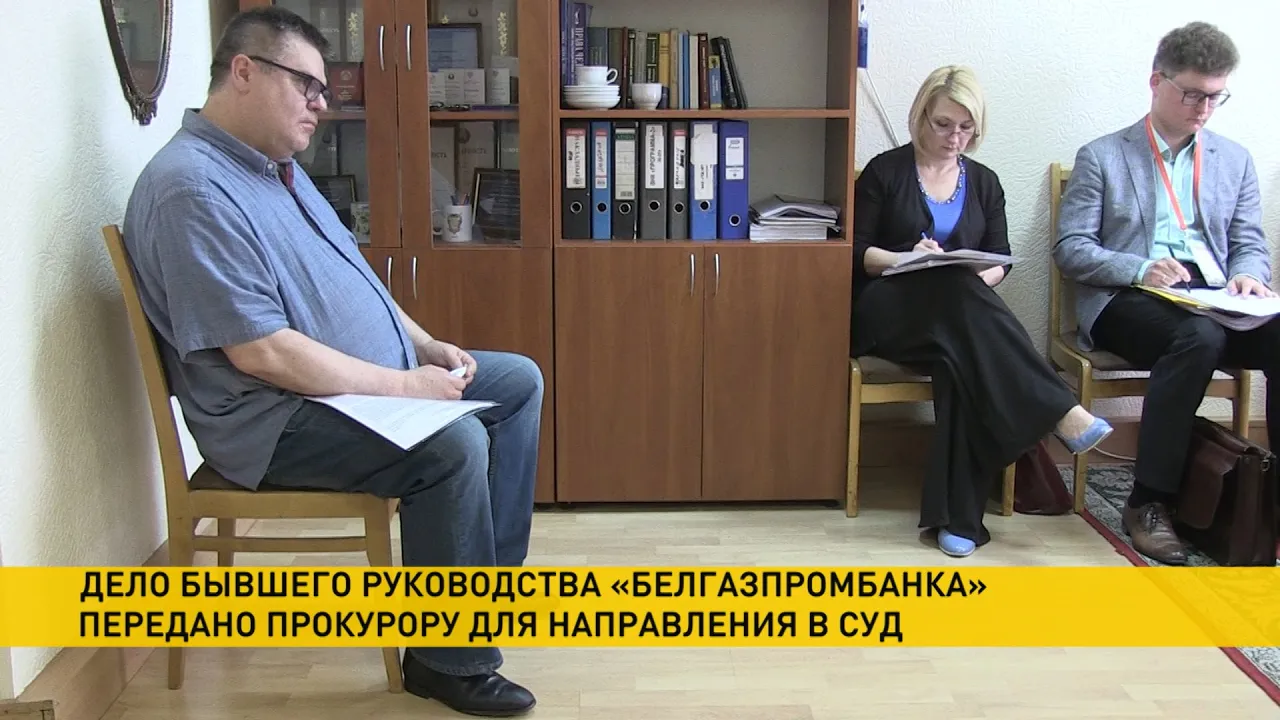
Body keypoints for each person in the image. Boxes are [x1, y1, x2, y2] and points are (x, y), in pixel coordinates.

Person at [122, 7, 541, 716]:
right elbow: (261, 352)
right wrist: (405, 387)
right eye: (307, 86)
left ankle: (478, 592)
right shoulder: (193, 189)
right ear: (244, 71)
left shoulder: (274, 170)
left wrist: (424, 345)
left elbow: (359, 281)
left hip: (348, 389)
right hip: (275, 420)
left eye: (323, 90)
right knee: (455, 444)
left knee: (517, 382)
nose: (323, 103)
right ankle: (446, 663)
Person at [851, 65, 1113, 558]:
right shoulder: (885, 171)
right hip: (887, 312)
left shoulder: (986, 182)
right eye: (943, 124)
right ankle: (1059, 408)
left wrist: (968, 276)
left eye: (966, 127)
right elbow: (856, 253)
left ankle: (958, 523)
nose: (955, 137)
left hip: (955, 322)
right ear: (921, 117)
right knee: (952, 290)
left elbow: (1000, 260)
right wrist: (906, 259)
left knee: (960, 359)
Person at [1053, 22, 1277, 566]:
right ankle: (1148, 501)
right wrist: (1140, 267)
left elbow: (1250, 243)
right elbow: (1071, 248)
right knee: (1197, 339)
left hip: (1214, 298)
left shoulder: (1234, 159)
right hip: (1128, 299)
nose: (1204, 108)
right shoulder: (1103, 156)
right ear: (1157, 82)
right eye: (1193, 94)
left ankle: (1270, 501)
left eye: (1216, 96)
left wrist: (1249, 274)